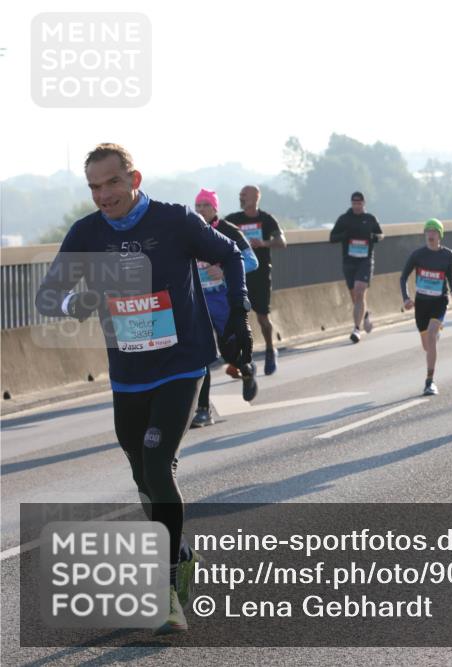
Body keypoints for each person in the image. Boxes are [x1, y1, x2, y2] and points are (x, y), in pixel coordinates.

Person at [35, 144, 254, 635]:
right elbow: (49, 295)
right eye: (94, 187)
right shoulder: (87, 233)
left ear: (134, 179)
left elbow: (232, 254)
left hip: (181, 365)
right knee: (143, 477)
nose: (103, 195)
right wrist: (76, 302)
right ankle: (181, 554)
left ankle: (166, 589)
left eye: (112, 182)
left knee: (157, 464)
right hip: (128, 374)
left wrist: (239, 312)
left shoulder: (174, 220)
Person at [191, 189, 260, 427]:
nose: (200, 210)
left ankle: (246, 370)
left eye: (205, 205)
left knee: (230, 353)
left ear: (215, 208)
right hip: (198, 300)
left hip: (223, 300)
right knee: (200, 354)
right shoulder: (190, 231)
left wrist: (223, 270)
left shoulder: (229, 231)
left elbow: (252, 261)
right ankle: (203, 410)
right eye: (197, 206)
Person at [225, 185, 285, 375]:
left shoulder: (266, 219)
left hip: (260, 275)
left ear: (256, 197)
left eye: (244, 195)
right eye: (240, 195)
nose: (241, 198)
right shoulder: (233, 220)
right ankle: (240, 360)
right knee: (237, 318)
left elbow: (281, 242)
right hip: (238, 275)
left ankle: (270, 349)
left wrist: (264, 243)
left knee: (262, 318)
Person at [400, 219, 452, 396]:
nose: (430, 234)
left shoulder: (448, 255)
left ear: (440, 235)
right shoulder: (417, 255)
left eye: (434, 231)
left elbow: (451, 276)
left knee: (432, 336)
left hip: (439, 302)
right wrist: (406, 298)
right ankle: (435, 332)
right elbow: (403, 277)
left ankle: (429, 381)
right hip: (421, 304)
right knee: (427, 346)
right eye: (428, 231)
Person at [329, 192, 384, 343]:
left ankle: (356, 329)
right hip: (349, 261)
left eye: (359, 204)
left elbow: (381, 235)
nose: (357, 206)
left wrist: (374, 237)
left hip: (365, 260)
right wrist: (345, 235)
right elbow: (332, 238)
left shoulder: (370, 219)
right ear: (351, 203)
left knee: (360, 291)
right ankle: (365, 315)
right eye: (354, 204)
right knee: (355, 295)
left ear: (364, 204)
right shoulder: (344, 219)